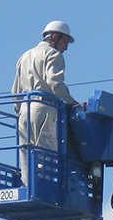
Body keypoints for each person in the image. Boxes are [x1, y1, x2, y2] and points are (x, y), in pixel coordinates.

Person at [13, 21, 80, 185]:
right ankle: (44, 189)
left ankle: (28, 187)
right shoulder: (54, 55)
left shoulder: (25, 56)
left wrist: (19, 111)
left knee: (26, 152)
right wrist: (72, 102)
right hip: (45, 108)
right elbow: (55, 83)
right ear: (55, 37)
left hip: (24, 109)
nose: (66, 48)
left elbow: (15, 92)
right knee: (45, 151)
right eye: (65, 42)